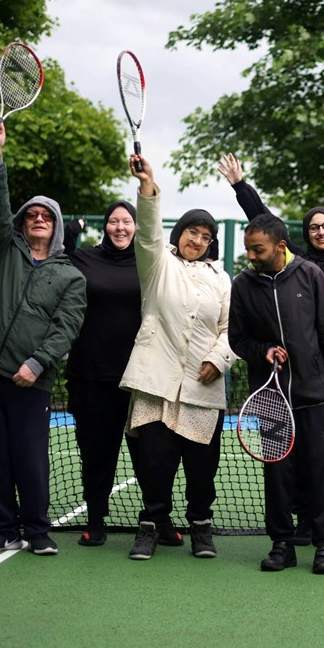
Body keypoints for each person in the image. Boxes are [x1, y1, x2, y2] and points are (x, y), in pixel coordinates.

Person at [217, 152, 324, 547]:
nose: (322, 231)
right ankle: (306, 521)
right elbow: (264, 223)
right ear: (301, 236)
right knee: (297, 452)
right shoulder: (298, 265)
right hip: (296, 375)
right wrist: (241, 186)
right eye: (314, 227)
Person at [0, 120, 87, 556]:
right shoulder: (4, 250)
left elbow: (65, 328)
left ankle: (37, 529)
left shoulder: (71, 276)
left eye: (47, 215)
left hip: (33, 379)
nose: (39, 218)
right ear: (22, 223)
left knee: (30, 458)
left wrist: (36, 363)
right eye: (32, 214)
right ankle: (3, 527)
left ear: (58, 226)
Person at [117, 153, 236, 561]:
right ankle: (150, 527)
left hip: (203, 388)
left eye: (205, 235)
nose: (197, 239)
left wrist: (217, 360)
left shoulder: (223, 280)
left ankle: (201, 527)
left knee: (203, 469)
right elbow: (148, 233)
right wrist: (148, 187)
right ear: (180, 232)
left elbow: (229, 331)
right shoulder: (157, 264)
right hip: (155, 385)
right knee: (154, 465)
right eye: (191, 231)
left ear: (211, 243)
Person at [228, 213, 324, 574]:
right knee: (277, 473)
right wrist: (263, 349)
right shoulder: (243, 284)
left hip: (314, 393)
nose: (251, 255)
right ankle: (282, 544)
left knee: (317, 469)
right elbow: (238, 339)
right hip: (272, 396)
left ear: (280, 246)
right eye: (248, 248)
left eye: (257, 249)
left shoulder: (310, 275)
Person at [62, 201, 141, 547]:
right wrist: (71, 230)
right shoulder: (85, 259)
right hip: (91, 378)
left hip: (141, 380)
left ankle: (158, 519)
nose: (120, 227)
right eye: (113, 221)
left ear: (137, 226)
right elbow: (56, 259)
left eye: (126, 221)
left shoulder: (152, 263)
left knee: (152, 457)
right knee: (96, 454)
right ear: (105, 226)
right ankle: (96, 521)